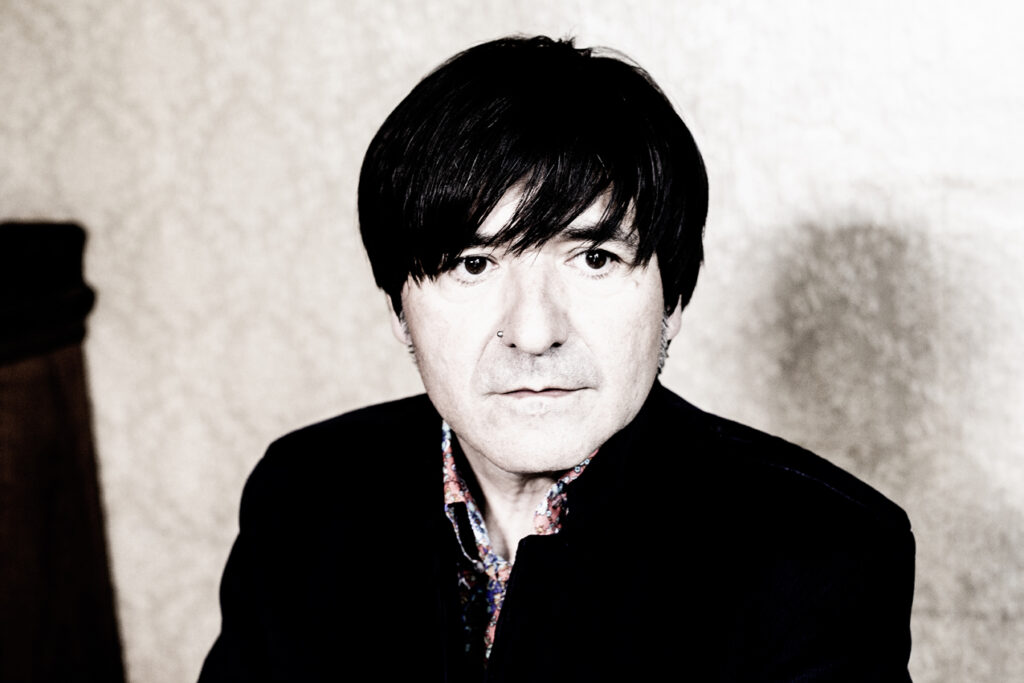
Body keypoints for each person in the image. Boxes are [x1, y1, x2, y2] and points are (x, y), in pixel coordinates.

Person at [199, 36, 914, 682]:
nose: (534, 331)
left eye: (595, 258)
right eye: (473, 264)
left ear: (673, 301)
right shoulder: (303, 496)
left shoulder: (819, 554)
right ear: (398, 312)